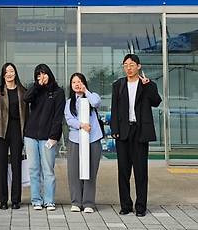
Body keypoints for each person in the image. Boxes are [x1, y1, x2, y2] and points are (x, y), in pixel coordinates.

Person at [111, 54, 161, 217]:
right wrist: (114, 129)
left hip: (140, 131)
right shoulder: (118, 85)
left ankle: (141, 207)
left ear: (138, 66)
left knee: (141, 171)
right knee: (123, 171)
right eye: (125, 65)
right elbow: (115, 109)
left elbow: (156, 102)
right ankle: (125, 205)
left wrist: (147, 87)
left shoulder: (147, 84)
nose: (128, 68)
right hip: (123, 132)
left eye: (132, 64)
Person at [23, 64, 65, 211]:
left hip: (48, 138)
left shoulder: (58, 92)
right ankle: (36, 200)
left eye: (44, 74)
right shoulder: (35, 91)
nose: (42, 77)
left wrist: (54, 136)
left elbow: (58, 117)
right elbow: (26, 98)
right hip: (31, 136)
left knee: (48, 170)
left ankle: (49, 200)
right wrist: (37, 86)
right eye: (39, 75)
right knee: (34, 169)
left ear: (50, 74)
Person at [0, 63, 27, 210]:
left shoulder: (23, 91)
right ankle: (3, 200)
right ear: (3, 75)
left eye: (11, 71)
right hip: (1, 131)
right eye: (6, 71)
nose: (9, 74)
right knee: (2, 165)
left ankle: (16, 199)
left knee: (17, 164)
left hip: (17, 130)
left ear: (15, 73)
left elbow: (27, 112)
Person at [64, 73, 102, 214]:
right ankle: (76, 202)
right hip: (75, 140)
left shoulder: (92, 96)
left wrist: (86, 91)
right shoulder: (69, 102)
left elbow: (96, 103)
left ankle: (88, 203)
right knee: (74, 172)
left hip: (93, 139)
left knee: (91, 171)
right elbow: (69, 119)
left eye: (79, 81)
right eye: (74, 82)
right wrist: (81, 125)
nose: (76, 84)